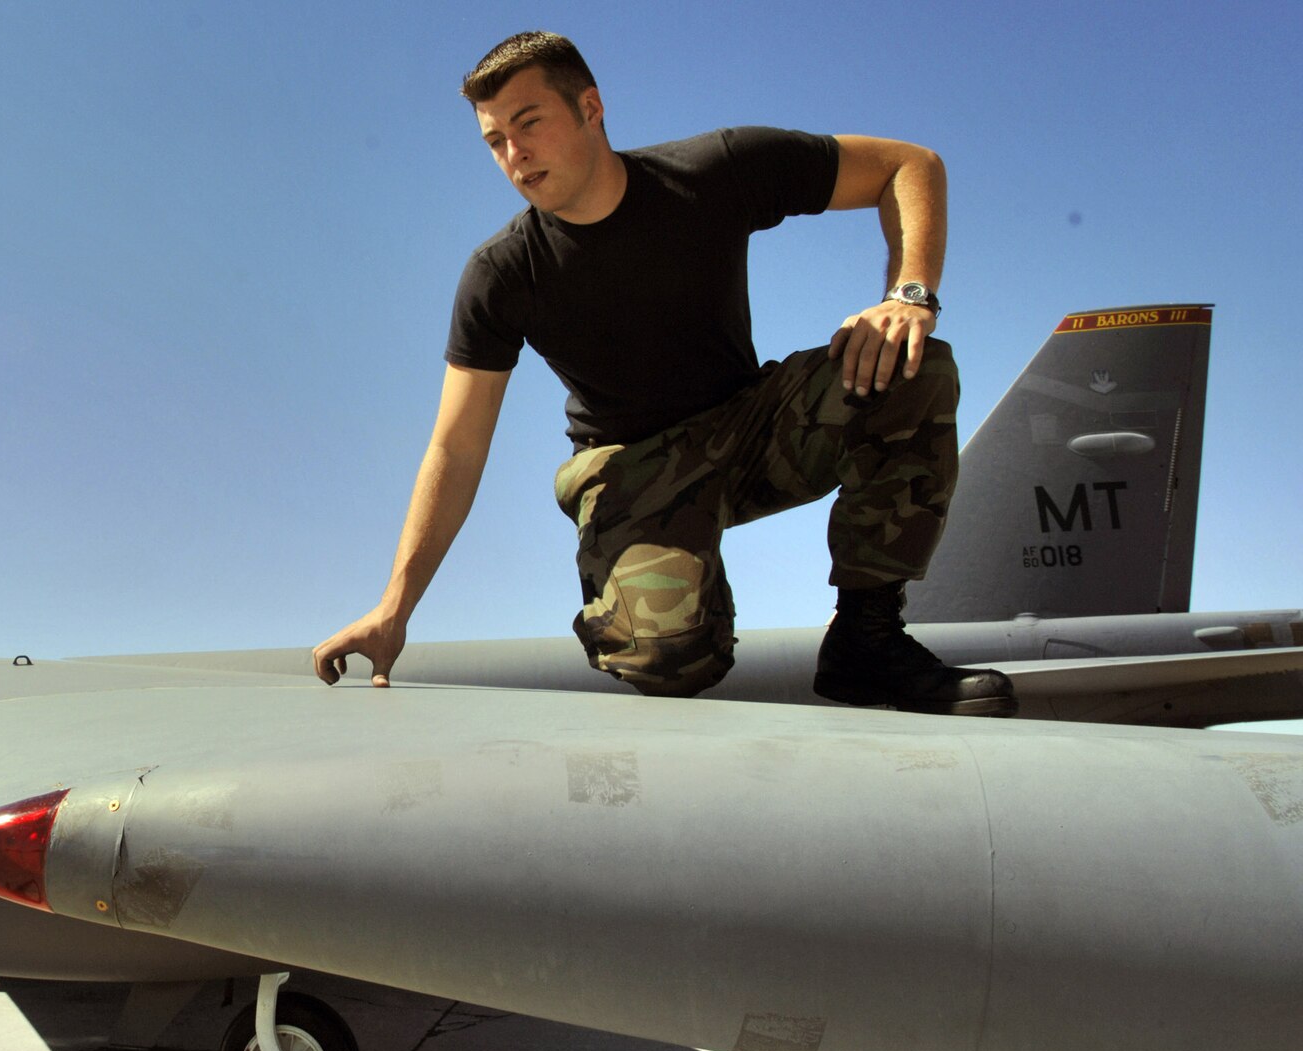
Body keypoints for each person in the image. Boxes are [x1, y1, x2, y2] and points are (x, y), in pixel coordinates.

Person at [311, 31, 1015, 717]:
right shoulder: (501, 276)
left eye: (529, 125)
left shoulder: (713, 173)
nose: (515, 157)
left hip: (749, 431)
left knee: (908, 369)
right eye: (495, 142)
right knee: (671, 658)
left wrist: (907, 294)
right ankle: (673, 591)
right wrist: (394, 608)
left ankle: (868, 640)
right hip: (631, 470)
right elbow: (455, 447)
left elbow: (909, 165)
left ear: (591, 108)